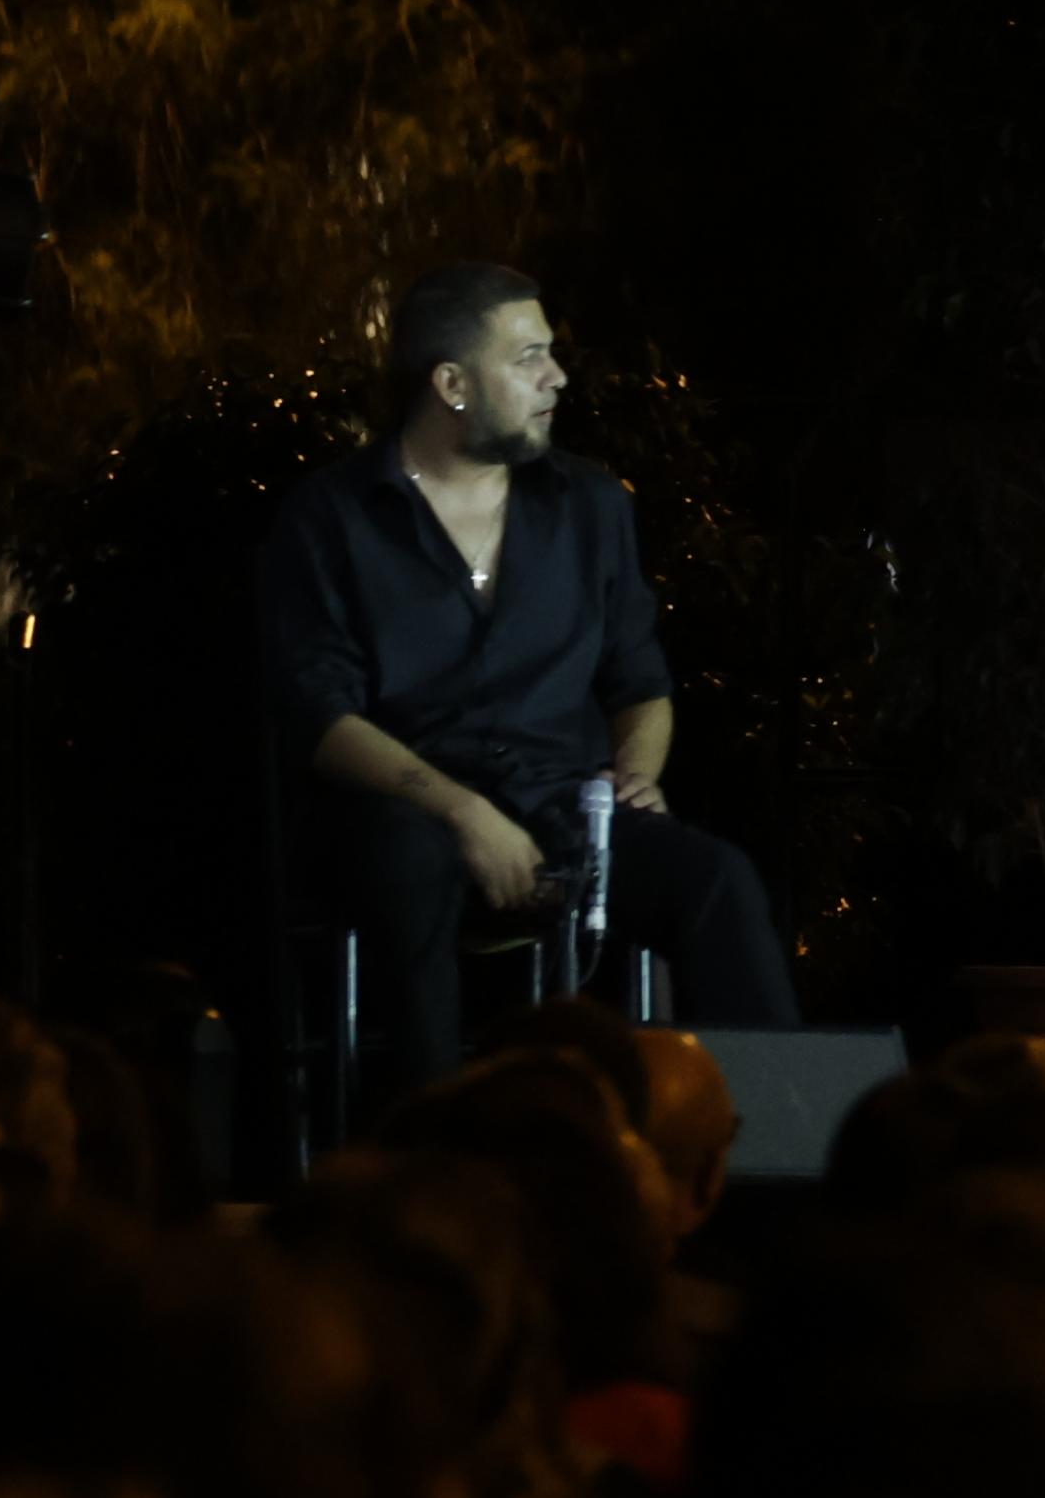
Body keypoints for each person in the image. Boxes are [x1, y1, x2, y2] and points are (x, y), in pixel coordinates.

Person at [257, 263, 800, 1100]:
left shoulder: (587, 505)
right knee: (410, 861)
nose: (557, 376)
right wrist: (463, 811)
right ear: (453, 383)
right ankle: (439, 1163)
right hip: (400, 817)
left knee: (717, 879)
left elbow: (641, 681)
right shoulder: (332, 516)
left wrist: (636, 772)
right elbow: (321, 716)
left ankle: (780, 1152)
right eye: (529, 357)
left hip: (560, 811)